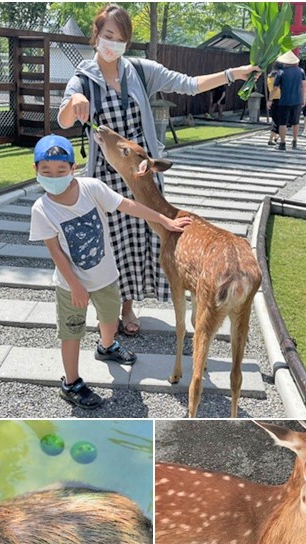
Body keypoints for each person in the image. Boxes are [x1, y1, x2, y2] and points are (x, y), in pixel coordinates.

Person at [57, 4, 257, 336]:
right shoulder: (83, 79)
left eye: (121, 39)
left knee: (142, 241)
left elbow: (188, 84)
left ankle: (128, 306)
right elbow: (64, 117)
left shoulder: (138, 69)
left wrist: (231, 74)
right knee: (111, 244)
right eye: (108, 36)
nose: (113, 44)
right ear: (96, 35)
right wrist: (72, 106)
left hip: (142, 175)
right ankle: (109, 308)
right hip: (107, 177)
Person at [27, 135, 191, 408]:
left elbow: (127, 205)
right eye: (46, 171)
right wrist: (75, 285)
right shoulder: (42, 209)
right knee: (72, 332)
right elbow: (55, 251)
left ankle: (106, 347)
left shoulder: (91, 188)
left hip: (105, 276)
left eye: (60, 170)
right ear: (36, 171)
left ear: (73, 168)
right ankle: (71, 383)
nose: (54, 176)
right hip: (70, 286)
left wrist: (163, 219)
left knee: (109, 321)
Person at [274, 51, 305, 150]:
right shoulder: (301, 71)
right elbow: (304, 86)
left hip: (284, 100)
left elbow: (275, 88)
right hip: (297, 100)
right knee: (296, 122)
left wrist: (270, 99)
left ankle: (282, 143)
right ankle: (295, 141)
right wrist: (303, 98)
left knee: (282, 123)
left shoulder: (281, 72)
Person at [265, 64, 283, 146]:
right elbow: (276, 88)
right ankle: (271, 138)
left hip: (272, 99)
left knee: (275, 118)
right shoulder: (279, 76)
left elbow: (271, 89)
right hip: (280, 98)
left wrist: (270, 100)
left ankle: (276, 137)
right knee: (278, 120)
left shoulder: (269, 77)